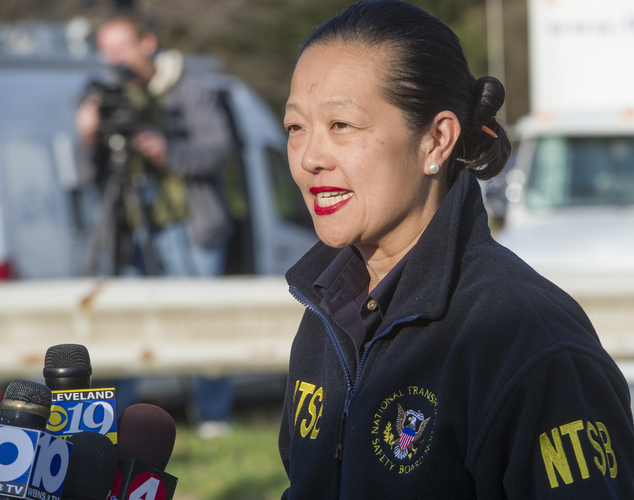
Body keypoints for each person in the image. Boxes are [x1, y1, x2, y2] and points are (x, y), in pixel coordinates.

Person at [278, 1, 634, 498]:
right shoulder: (329, 313)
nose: (310, 157)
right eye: (296, 128)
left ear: (436, 140)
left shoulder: (531, 342)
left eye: (342, 125)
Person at [75, 9, 233, 277]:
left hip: (187, 227)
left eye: (121, 48)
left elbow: (218, 150)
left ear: (147, 43)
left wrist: (167, 152)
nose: (114, 60)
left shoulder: (188, 88)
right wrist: (87, 138)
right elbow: (87, 175)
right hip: (130, 229)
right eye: (106, 50)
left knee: (191, 314)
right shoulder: (106, 98)